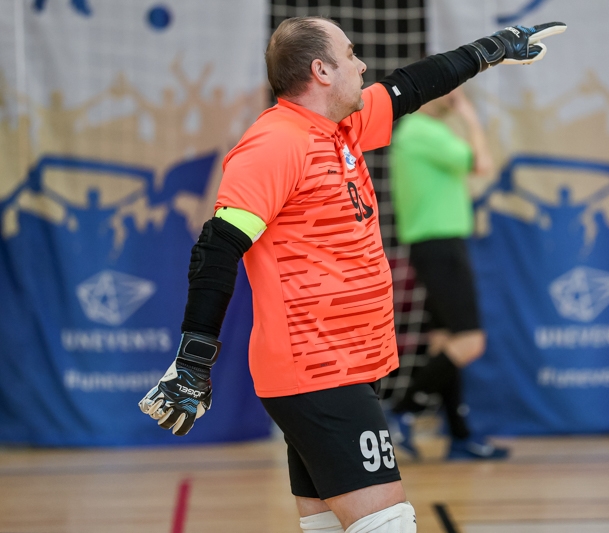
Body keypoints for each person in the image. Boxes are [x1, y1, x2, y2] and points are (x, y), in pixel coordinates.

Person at [138, 17, 566, 533]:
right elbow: (216, 247)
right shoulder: (275, 143)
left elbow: (412, 84)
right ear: (321, 71)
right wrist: (194, 359)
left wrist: (491, 49)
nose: (362, 66)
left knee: (329, 527)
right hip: (317, 370)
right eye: (350, 54)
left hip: (348, 366)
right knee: (388, 525)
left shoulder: (343, 128)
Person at [387, 88, 506, 461]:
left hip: (434, 245)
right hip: (439, 245)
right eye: (448, 88)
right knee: (470, 342)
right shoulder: (422, 130)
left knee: (444, 342)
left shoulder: (423, 131)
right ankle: (401, 411)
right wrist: (469, 117)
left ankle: (459, 436)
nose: (455, 95)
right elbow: (482, 164)